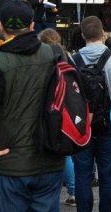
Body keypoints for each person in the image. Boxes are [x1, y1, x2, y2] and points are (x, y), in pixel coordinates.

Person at [0, 0, 65, 211]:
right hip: (50, 158)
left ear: (1, 26)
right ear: (32, 25)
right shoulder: (56, 54)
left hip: (10, 163)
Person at [73, 16, 111, 212]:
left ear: (83, 35)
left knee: (82, 175)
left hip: (81, 127)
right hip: (108, 127)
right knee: (108, 176)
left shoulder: (72, 61)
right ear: (103, 33)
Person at [38, 27, 76, 206]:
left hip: (47, 110)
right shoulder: (68, 58)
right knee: (65, 154)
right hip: (66, 110)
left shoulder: (41, 59)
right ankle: (73, 190)